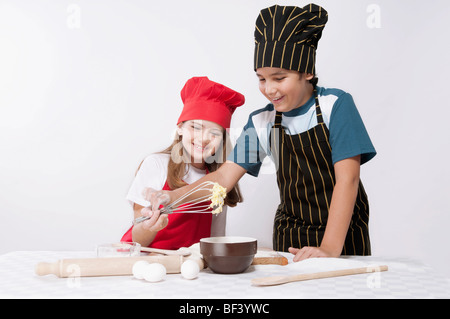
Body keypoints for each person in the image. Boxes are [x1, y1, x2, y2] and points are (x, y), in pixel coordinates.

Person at [144, 4, 376, 261]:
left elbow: (348, 180)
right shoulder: (263, 121)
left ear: (307, 72)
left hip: (342, 237)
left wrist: (330, 249)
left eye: (279, 78)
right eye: (262, 79)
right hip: (291, 235)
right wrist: (172, 196)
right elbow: (222, 179)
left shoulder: (336, 106)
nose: (269, 89)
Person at [121, 76, 244, 249]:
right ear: (180, 128)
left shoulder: (219, 183)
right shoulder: (156, 165)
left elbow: (214, 242)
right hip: (143, 260)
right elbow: (137, 239)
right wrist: (150, 227)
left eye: (214, 133)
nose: (203, 139)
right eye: (196, 127)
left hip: (187, 269)